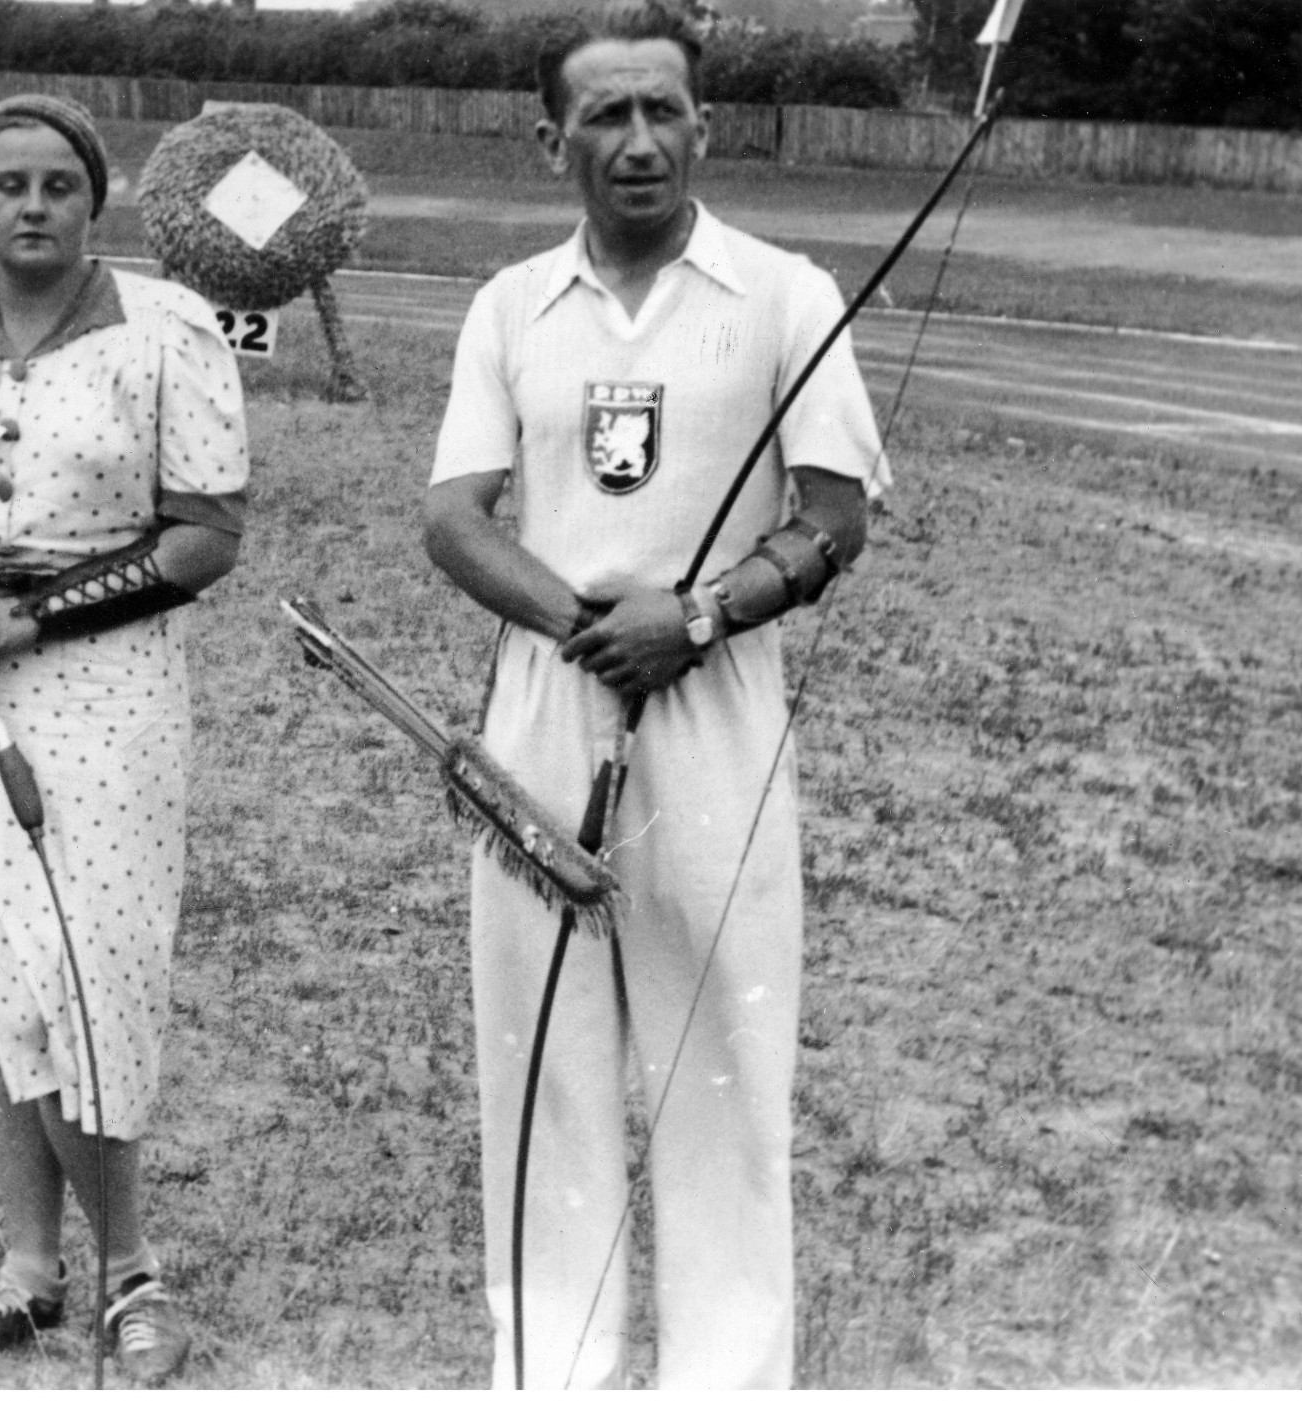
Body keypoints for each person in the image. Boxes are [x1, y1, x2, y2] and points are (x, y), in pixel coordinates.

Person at [423, 2, 889, 1388]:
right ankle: (550, 1370)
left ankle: (727, 1375)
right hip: (551, 704)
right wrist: (589, 622)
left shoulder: (786, 293)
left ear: (705, 125)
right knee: (542, 1059)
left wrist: (692, 617)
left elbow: (835, 519)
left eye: (662, 112)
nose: (638, 142)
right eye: (606, 115)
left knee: (726, 1063)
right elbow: (456, 515)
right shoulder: (511, 304)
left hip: (717, 711)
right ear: (550, 135)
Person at [0, 93, 248, 1383]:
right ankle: (29, 1270)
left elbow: (205, 539)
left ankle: (129, 1270)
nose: (33, 207)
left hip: (104, 693)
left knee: (81, 976)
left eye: (59, 186)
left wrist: (35, 617)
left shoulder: (168, 332)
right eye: (8, 185)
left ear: (97, 198)